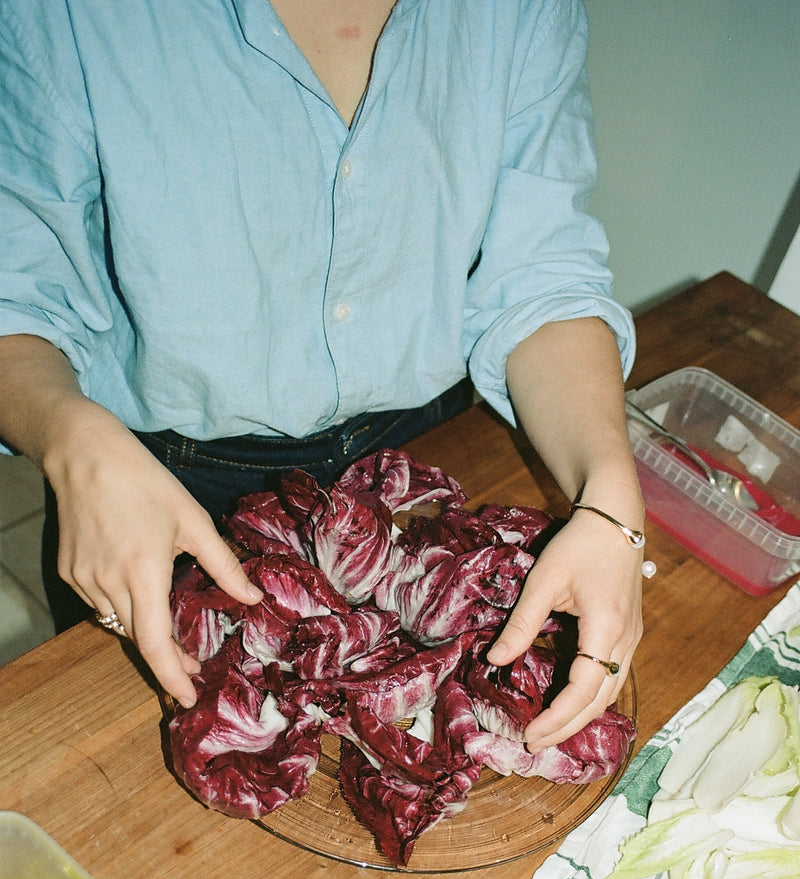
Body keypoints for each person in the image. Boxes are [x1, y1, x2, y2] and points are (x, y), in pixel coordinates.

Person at [0, 0, 645, 752]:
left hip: (423, 469)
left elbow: (539, 278)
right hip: (153, 485)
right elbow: (17, 289)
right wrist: (71, 439)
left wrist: (609, 493)